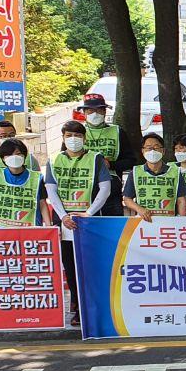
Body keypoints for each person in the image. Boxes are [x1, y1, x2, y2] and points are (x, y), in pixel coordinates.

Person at [45, 120, 111, 327]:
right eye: (69, 136)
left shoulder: (96, 159)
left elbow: (105, 188)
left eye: (78, 136)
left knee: (91, 266)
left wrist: (88, 213)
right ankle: (76, 304)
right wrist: (64, 216)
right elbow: (51, 190)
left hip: (90, 221)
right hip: (64, 221)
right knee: (70, 266)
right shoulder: (54, 159)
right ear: (63, 138)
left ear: (84, 138)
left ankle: (92, 305)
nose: (73, 140)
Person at [77, 93, 137, 216]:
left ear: (105, 111)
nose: (95, 114)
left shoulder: (117, 132)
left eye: (99, 110)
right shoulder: (76, 132)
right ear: (84, 112)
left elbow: (131, 160)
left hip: (112, 186)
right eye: (90, 110)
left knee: (113, 227)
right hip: (83, 187)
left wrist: (111, 164)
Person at [123, 134, 186, 221]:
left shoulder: (175, 172)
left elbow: (181, 200)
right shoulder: (135, 172)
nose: (152, 151)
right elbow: (127, 199)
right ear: (143, 151)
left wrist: (182, 221)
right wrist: (139, 209)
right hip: (144, 221)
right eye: (148, 148)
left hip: (169, 222)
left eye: (156, 147)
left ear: (163, 151)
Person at [0, 138, 49, 227]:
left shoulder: (36, 178)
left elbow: (42, 203)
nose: (14, 157)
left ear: (24, 156)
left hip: (31, 230)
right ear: (3, 158)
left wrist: (48, 226)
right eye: (9, 155)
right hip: (3, 230)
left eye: (18, 154)